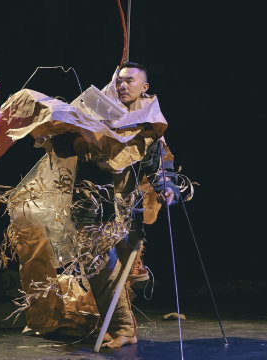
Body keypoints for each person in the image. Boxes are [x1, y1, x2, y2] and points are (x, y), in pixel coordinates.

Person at [49, 61, 180, 348]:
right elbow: (59, 141)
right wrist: (78, 144)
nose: (123, 85)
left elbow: (160, 165)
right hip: (93, 203)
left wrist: (167, 188)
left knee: (121, 271)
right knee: (97, 264)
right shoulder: (98, 110)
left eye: (130, 80)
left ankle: (122, 327)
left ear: (144, 87)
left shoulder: (150, 120)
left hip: (127, 207)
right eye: (119, 80)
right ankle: (119, 325)